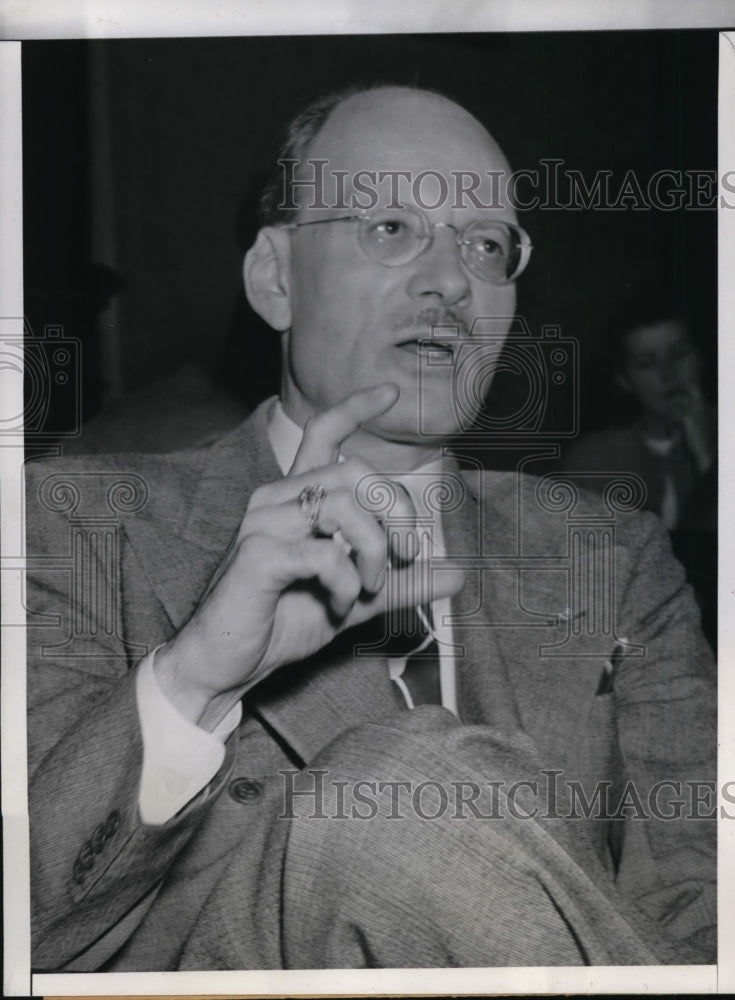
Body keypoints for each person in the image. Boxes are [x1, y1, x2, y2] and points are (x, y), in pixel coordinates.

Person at [26, 85, 715, 972]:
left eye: (486, 245)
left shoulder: (610, 558)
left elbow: (703, 919)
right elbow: (26, 928)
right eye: (391, 229)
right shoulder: (76, 525)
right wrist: (195, 678)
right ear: (274, 278)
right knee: (390, 790)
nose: (450, 279)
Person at [561, 296, 716, 646]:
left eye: (680, 355)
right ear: (625, 380)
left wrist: (708, 457)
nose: (669, 375)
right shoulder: (592, 461)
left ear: (702, 357)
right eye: (647, 363)